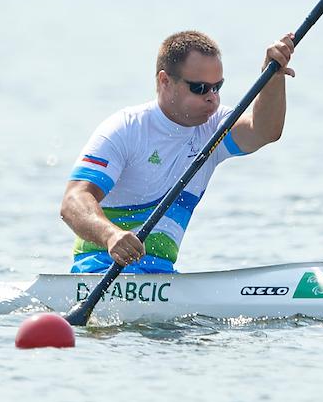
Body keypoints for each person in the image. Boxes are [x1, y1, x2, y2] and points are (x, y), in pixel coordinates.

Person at [59, 30, 295, 273]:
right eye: (200, 88)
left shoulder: (213, 128)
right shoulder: (126, 129)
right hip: (100, 270)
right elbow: (72, 201)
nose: (212, 99)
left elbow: (264, 131)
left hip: (161, 275)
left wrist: (274, 76)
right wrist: (111, 236)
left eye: (217, 87)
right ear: (165, 81)